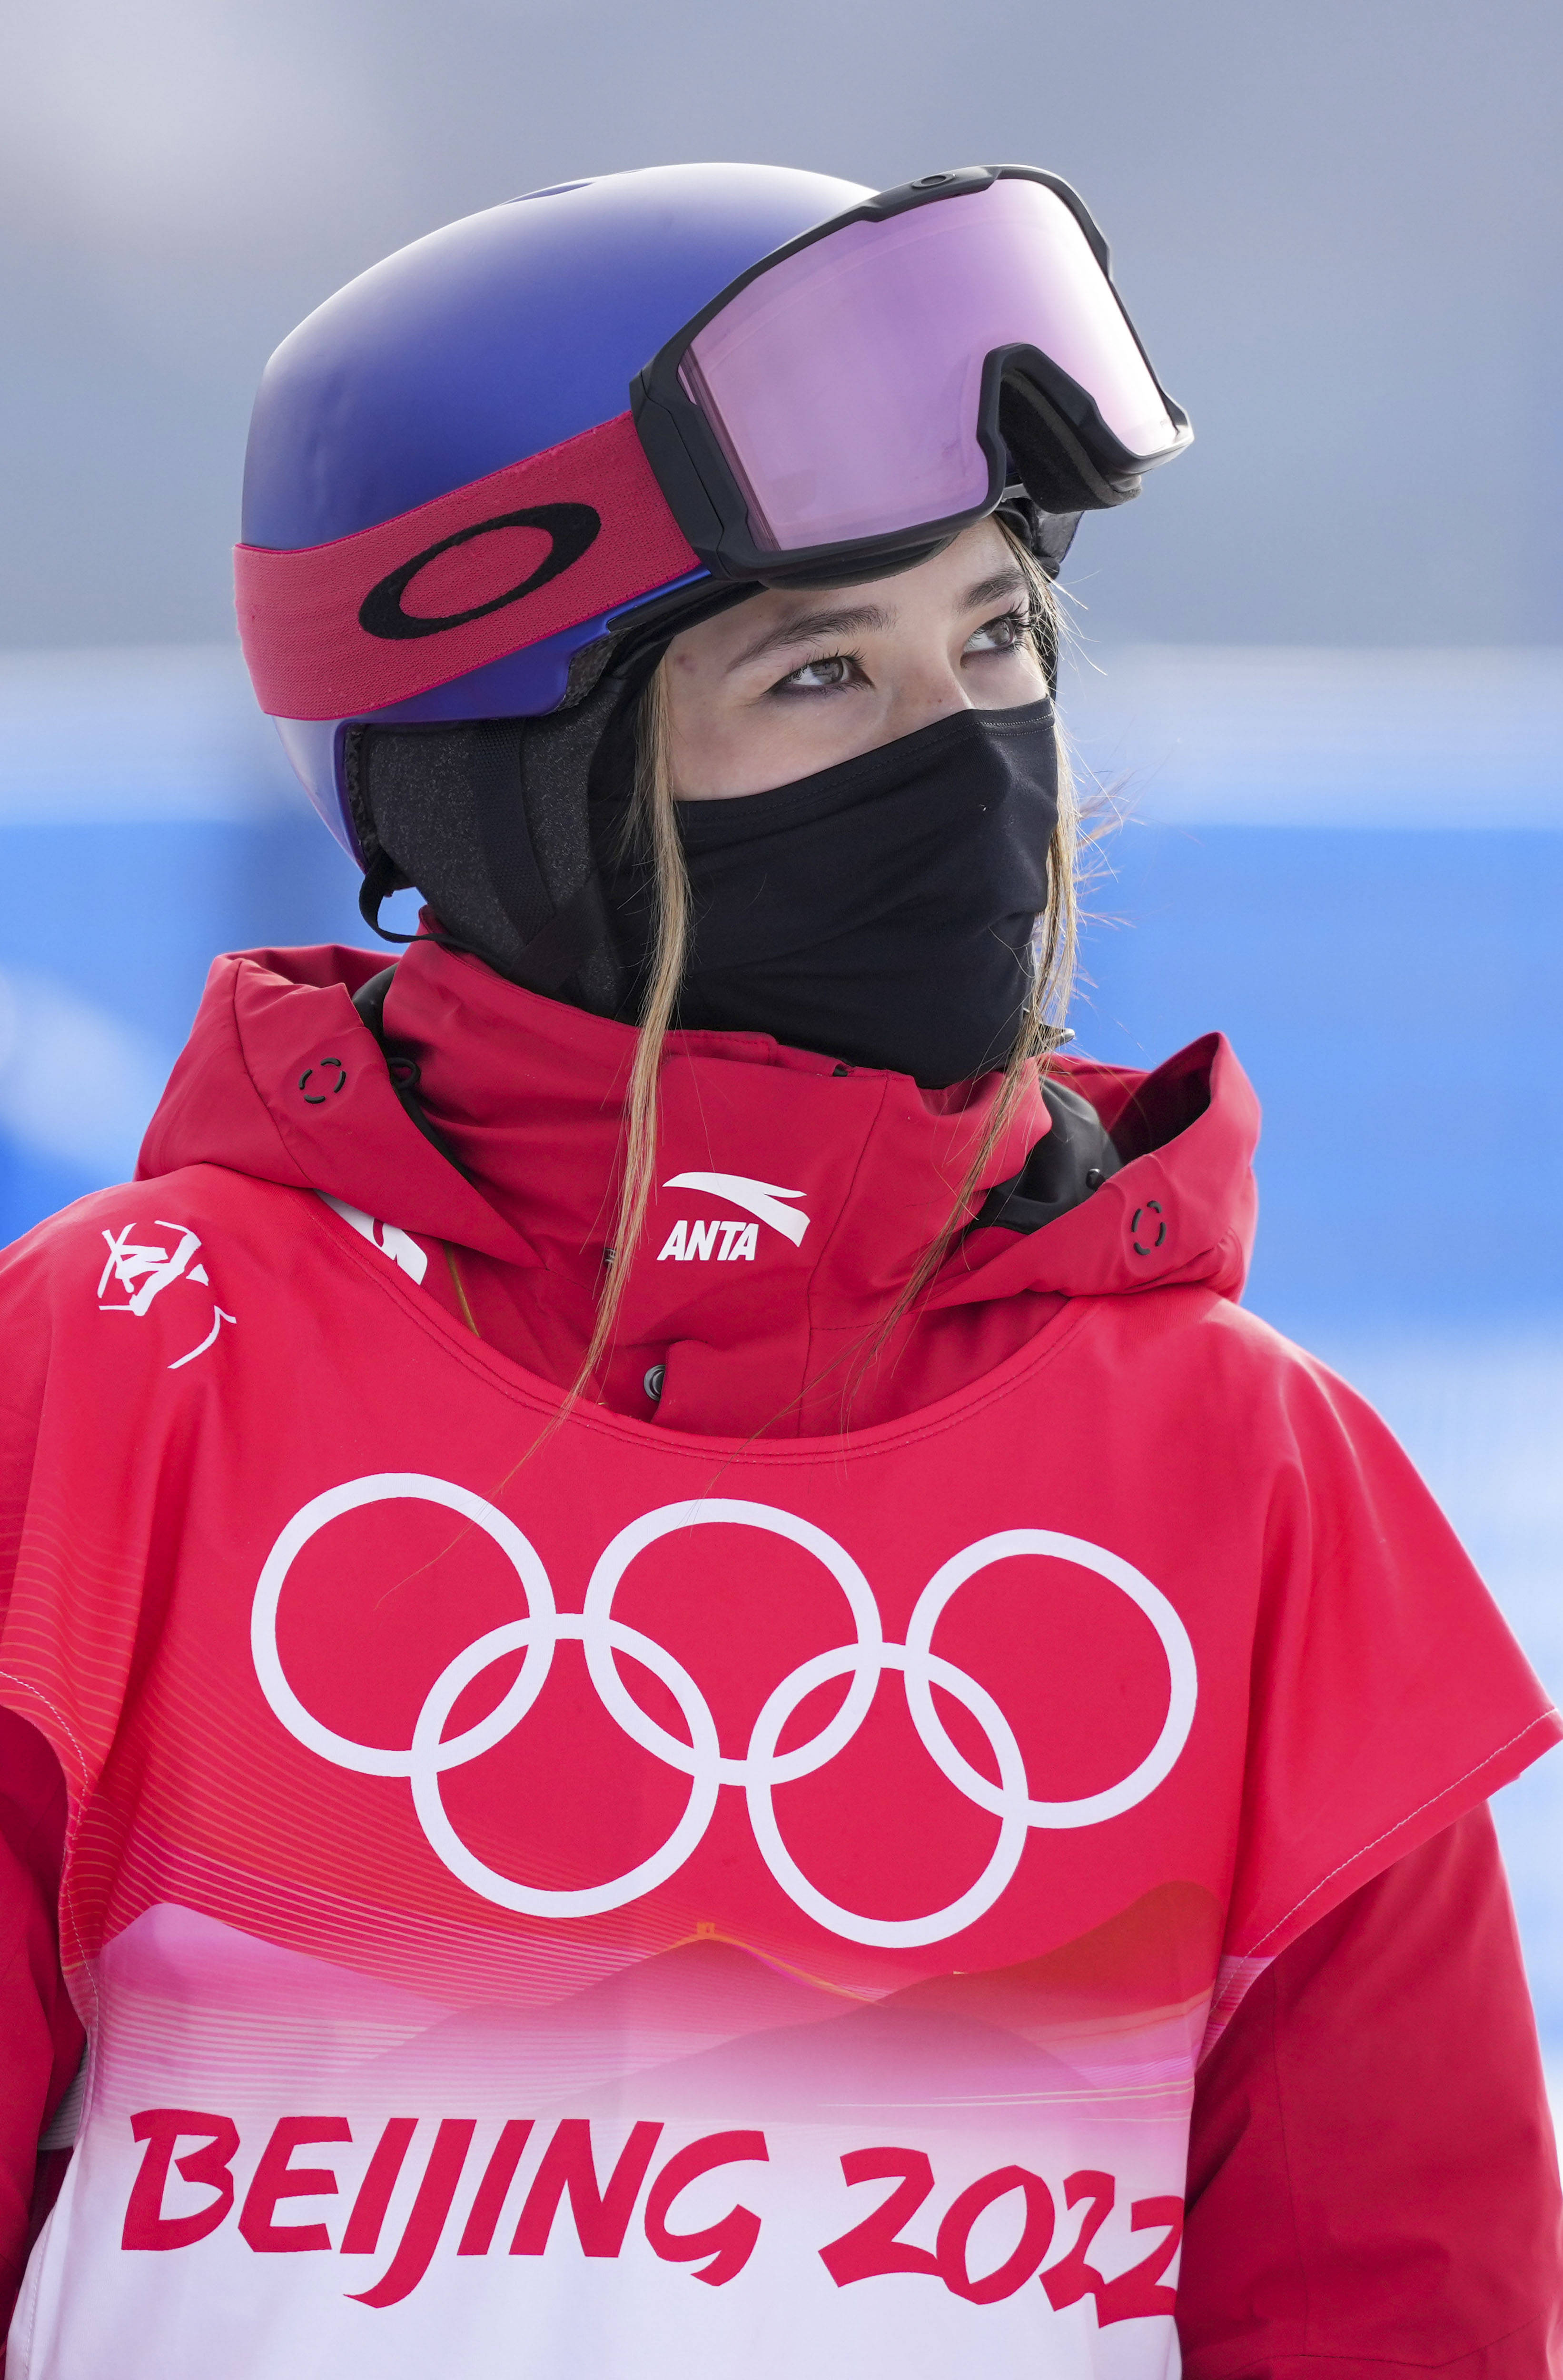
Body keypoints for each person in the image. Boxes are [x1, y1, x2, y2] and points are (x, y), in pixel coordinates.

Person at [0, 160, 1558, 2380]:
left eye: (997, 636)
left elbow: (1402, 2310)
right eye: (819, 669)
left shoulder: (1253, 1482)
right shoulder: (134, 1370)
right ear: (510, 788)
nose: (963, 756)